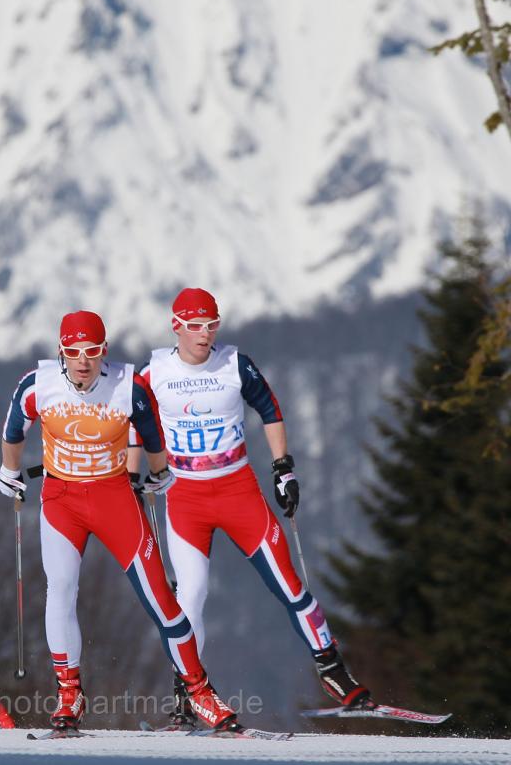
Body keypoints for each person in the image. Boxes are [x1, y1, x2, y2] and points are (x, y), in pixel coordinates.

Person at [132, 287, 372, 727]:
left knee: (288, 584)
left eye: (212, 325)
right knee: (189, 598)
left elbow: (271, 409)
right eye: (196, 326)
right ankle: (187, 694)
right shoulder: (154, 372)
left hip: (238, 491)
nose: (205, 334)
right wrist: (133, 478)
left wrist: (284, 469)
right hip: (185, 499)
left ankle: (333, 669)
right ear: (177, 327)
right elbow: (135, 423)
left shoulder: (233, 363)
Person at [0, 310, 238, 733]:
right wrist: (9, 473)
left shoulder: (129, 385)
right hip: (61, 499)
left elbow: (153, 433)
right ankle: (69, 694)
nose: (83, 361)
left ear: (104, 351)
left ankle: (199, 692)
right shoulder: (38, 385)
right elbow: (14, 430)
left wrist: (160, 473)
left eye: (91, 352)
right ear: (61, 353)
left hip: (114, 498)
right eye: (73, 352)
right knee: (60, 590)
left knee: (161, 598)